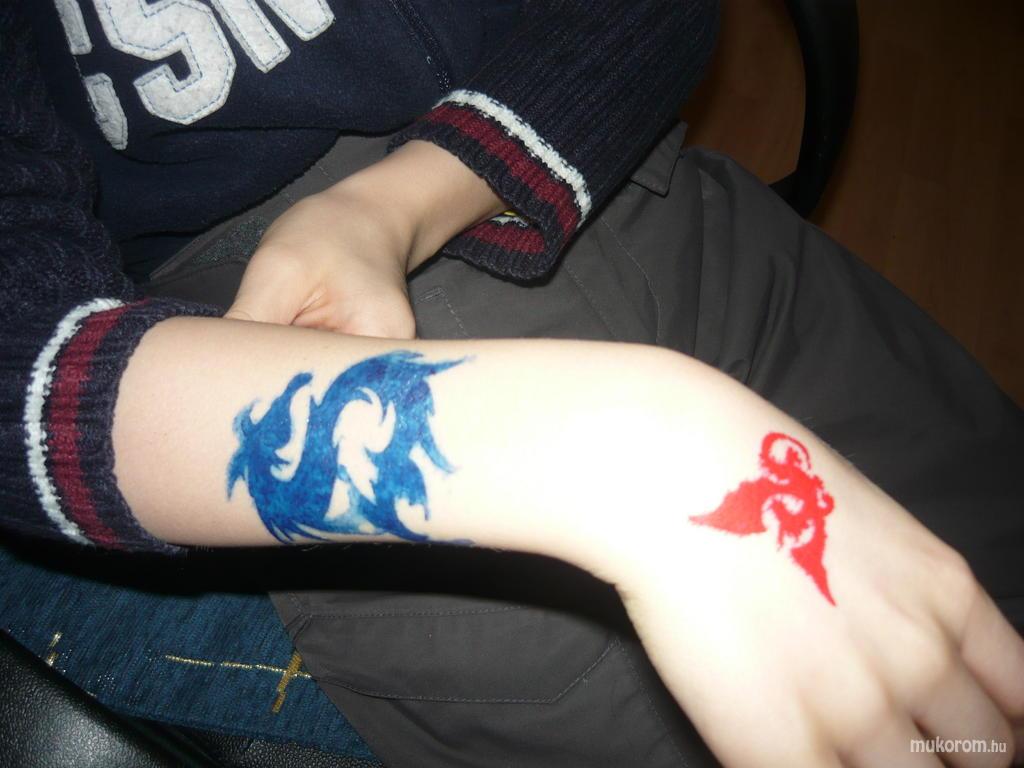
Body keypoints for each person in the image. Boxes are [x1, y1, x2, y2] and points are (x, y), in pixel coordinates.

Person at [2, 3, 1023, 768]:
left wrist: (394, 206)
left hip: (608, 178)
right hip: (270, 332)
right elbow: (23, 369)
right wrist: (631, 452)